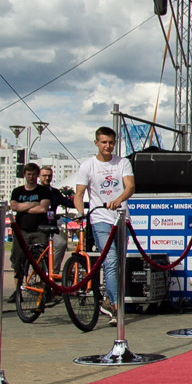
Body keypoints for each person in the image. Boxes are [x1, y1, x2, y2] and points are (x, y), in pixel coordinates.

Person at [74, 127, 135, 326]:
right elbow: (79, 194)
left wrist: (118, 200)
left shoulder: (122, 162)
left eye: (111, 142)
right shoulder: (87, 166)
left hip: (121, 218)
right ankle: (117, 307)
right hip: (100, 218)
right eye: (104, 142)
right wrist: (79, 211)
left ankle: (109, 299)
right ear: (96, 143)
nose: (108, 146)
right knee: (110, 261)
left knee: (119, 263)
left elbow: (130, 187)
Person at [9, 163, 51, 286]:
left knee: (41, 261)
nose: (31, 177)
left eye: (33, 174)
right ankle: (18, 289)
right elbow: (13, 206)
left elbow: (43, 209)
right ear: (24, 175)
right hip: (21, 230)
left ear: (37, 175)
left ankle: (43, 289)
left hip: (39, 231)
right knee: (18, 260)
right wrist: (33, 204)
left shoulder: (43, 191)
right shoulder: (17, 191)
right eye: (29, 174)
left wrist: (22, 207)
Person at [38, 165, 76, 270]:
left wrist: (86, 204)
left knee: (61, 244)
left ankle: (53, 270)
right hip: (38, 227)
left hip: (51, 227)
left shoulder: (54, 192)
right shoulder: (36, 191)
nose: (47, 178)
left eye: (49, 176)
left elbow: (67, 203)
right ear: (39, 177)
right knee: (39, 251)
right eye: (44, 176)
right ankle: (37, 273)